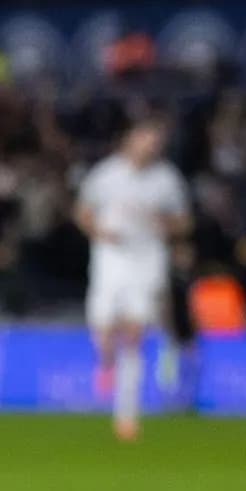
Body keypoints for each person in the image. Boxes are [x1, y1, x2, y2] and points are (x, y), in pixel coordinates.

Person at [73, 117, 192, 442]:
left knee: (135, 332)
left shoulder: (166, 180)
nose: (151, 147)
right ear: (130, 140)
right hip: (110, 258)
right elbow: (82, 212)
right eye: (145, 140)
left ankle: (126, 415)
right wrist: (100, 232)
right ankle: (105, 359)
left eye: (156, 142)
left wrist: (165, 225)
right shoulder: (105, 175)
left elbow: (184, 222)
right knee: (104, 327)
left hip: (147, 259)